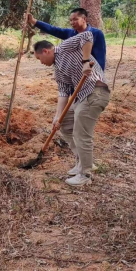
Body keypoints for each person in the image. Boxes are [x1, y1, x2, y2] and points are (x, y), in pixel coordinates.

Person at [33, 32, 110, 186]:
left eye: (39, 58)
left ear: (46, 51)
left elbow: (87, 36)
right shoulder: (58, 70)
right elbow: (63, 92)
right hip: (82, 97)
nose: (40, 62)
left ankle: (85, 174)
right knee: (65, 123)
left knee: (81, 133)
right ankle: (81, 161)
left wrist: (85, 61)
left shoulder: (63, 48)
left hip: (95, 92)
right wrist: (57, 116)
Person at [26, 8, 107, 70]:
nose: (72, 22)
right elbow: (53, 29)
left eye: (75, 19)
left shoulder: (96, 34)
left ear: (84, 19)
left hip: (89, 72)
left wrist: (98, 74)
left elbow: (100, 57)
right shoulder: (70, 33)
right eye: (71, 20)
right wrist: (33, 21)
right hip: (74, 73)